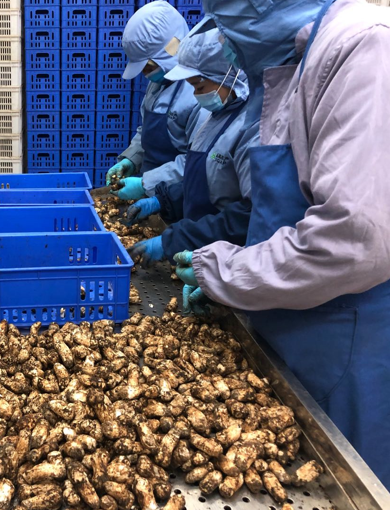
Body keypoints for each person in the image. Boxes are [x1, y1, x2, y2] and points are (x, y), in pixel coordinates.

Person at [172, 0, 390, 487]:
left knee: (346, 481)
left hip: (345, 345)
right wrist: (236, 288)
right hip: (286, 332)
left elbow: (353, 238)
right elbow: (278, 216)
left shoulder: (360, 46)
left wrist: (227, 272)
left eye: (226, 27)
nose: (223, 43)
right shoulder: (291, 66)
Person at [126, 28, 256, 267]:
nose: (196, 95)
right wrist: (163, 200)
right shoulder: (217, 118)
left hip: (226, 257)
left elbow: (247, 217)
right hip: (198, 242)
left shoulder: (251, 128)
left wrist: (179, 239)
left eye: (199, 87)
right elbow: (202, 181)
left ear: (226, 75)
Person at [106, 0, 207, 200]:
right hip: (149, 189)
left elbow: (196, 162)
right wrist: (131, 158)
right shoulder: (159, 83)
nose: (146, 74)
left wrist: (145, 184)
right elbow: (145, 131)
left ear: (169, 53)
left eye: (149, 67)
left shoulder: (199, 93)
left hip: (179, 197)